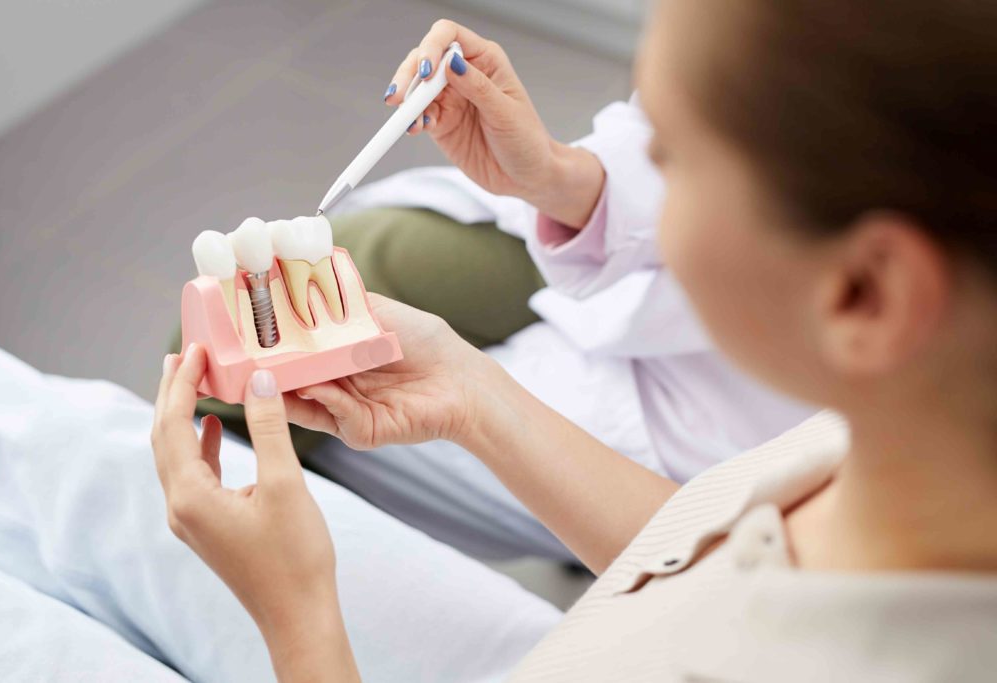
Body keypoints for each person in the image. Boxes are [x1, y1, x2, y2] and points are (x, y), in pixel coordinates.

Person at [153, 2, 997, 681]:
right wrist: (472, 395)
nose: (642, 180)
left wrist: (299, 622)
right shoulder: (886, 457)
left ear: (864, 294)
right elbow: (703, 552)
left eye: (668, 157)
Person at [186, 34, 815, 563]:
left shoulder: (805, 520)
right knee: (365, 252)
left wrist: (474, 401)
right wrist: (556, 175)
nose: (661, 167)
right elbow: (674, 144)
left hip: (683, 435)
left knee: (228, 413)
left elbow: (700, 565)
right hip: (626, 273)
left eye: (672, 155)